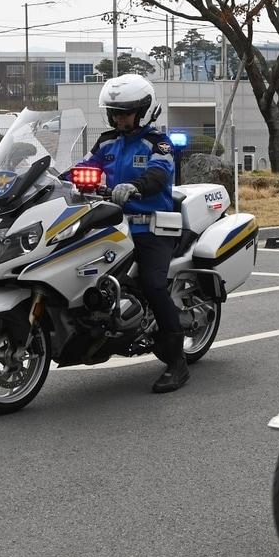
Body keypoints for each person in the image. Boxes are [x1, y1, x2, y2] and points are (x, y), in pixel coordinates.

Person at [86, 75, 189, 393]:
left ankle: (176, 363)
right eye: (115, 112)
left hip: (151, 226)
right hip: (111, 224)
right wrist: (51, 179)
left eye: (126, 112)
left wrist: (136, 186)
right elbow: (85, 167)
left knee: (153, 285)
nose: (120, 118)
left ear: (141, 111)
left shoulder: (158, 143)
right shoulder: (105, 143)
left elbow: (159, 174)